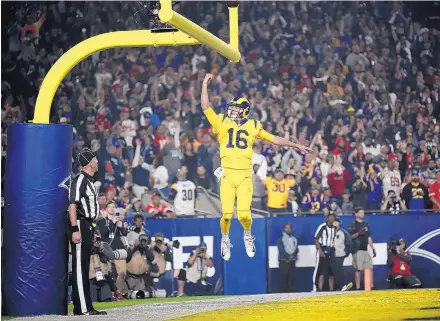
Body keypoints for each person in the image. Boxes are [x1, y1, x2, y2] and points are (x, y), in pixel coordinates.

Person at [201, 73, 311, 261]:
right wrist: (204, 84)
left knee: (244, 215)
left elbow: (274, 139)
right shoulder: (221, 121)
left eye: (236, 109)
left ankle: (246, 235)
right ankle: (225, 239)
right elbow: (205, 106)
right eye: (232, 108)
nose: (232, 111)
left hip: (245, 175)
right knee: (226, 215)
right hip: (227, 174)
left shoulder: (253, 125)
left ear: (244, 111)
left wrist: (295, 145)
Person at [68, 148, 107, 315]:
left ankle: (86, 306)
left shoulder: (89, 180)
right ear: (90, 163)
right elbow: (72, 206)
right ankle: (82, 308)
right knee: (79, 268)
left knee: (84, 267)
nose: (98, 161)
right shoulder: (80, 180)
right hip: (80, 223)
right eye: (95, 159)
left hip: (88, 224)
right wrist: (75, 229)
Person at [348, 207, 377, 291]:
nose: (362, 214)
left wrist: (373, 248)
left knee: (369, 267)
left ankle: (370, 285)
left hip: (365, 249)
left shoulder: (366, 224)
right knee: (358, 269)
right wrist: (358, 233)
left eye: (363, 213)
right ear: (356, 214)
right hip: (357, 249)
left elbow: (368, 237)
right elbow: (350, 237)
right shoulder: (353, 225)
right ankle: (358, 287)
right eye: (360, 213)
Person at [277, 223, 298, 293]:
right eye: (286, 228)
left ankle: (291, 294)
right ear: (284, 229)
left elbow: (296, 249)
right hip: (284, 261)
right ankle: (283, 294)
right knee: (284, 278)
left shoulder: (294, 239)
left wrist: (293, 257)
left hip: (292, 262)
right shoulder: (281, 239)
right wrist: (288, 257)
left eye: (289, 228)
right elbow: (281, 249)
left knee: (291, 278)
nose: (288, 229)